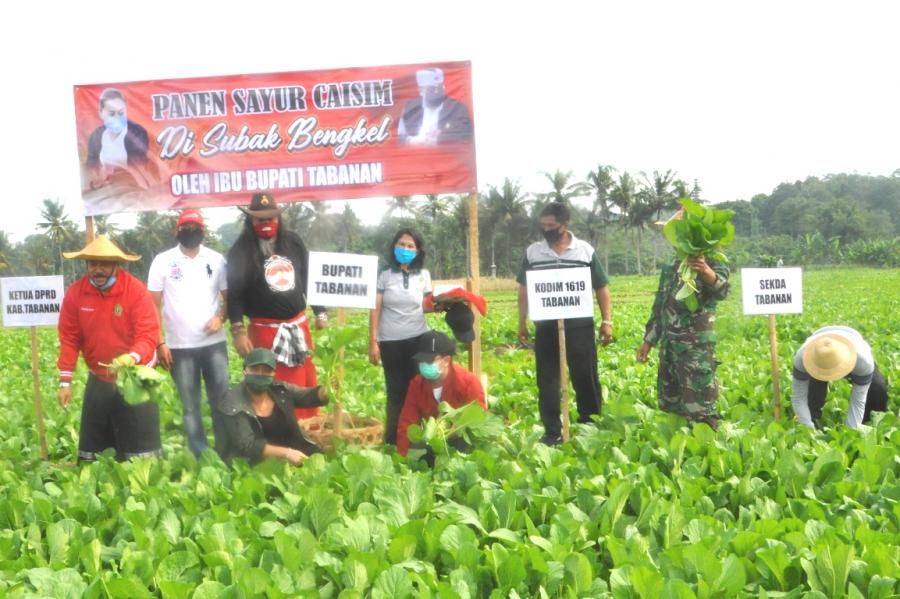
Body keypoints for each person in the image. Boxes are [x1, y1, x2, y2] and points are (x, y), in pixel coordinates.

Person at [57, 235, 161, 461]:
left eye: (104, 264)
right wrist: (65, 382)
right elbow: (69, 339)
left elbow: (147, 333)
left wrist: (132, 357)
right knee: (93, 452)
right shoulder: (75, 294)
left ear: (116, 265)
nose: (98, 270)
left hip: (134, 375)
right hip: (100, 375)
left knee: (141, 452)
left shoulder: (135, 291)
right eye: (93, 264)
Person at [517, 202, 613, 445]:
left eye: (552, 225)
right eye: (544, 225)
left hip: (579, 326)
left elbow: (601, 287)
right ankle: (552, 431)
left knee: (585, 376)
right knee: (547, 380)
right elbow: (524, 290)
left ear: (565, 224)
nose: (547, 229)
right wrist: (522, 323)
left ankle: (589, 424)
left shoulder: (584, 251)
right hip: (546, 327)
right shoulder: (533, 253)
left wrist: (607, 321)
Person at [226, 193, 327, 419]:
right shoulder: (240, 251)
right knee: (270, 383)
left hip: (297, 327)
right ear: (251, 221)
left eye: (271, 218)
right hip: (264, 332)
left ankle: (307, 427)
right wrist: (238, 331)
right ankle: (278, 431)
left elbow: (310, 278)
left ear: (279, 219)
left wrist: (321, 312)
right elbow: (234, 296)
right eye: (260, 220)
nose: (266, 223)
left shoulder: (293, 242)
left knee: (303, 381)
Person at [147, 209, 229, 456]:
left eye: (195, 227)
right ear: (177, 231)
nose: (190, 231)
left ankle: (226, 452)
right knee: (190, 406)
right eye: (186, 227)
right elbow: (152, 305)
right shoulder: (162, 261)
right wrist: (159, 342)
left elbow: (230, 298)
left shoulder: (217, 260)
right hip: (179, 348)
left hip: (214, 344)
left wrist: (220, 317)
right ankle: (200, 455)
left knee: (222, 402)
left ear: (203, 231)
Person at [636, 241, 730, 429]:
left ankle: (708, 451)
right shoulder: (672, 264)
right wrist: (649, 340)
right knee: (671, 405)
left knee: (700, 408)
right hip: (670, 345)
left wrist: (706, 271)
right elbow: (661, 304)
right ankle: (680, 451)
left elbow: (723, 291)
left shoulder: (712, 259)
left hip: (696, 349)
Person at [369, 228, 440, 444]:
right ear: (394, 246)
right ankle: (393, 439)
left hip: (418, 339)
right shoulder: (384, 274)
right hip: (390, 342)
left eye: (411, 246)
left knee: (419, 388)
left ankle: (419, 437)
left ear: (418, 251)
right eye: (401, 244)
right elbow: (375, 308)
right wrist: (373, 341)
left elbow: (427, 306)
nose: (405, 249)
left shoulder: (423, 275)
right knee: (396, 391)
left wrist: (446, 303)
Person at [216, 348, 327, 465]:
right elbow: (247, 445)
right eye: (255, 369)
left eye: (266, 371)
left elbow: (308, 396)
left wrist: (326, 392)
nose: (260, 374)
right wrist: (287, 453)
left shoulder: (280, 390)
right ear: (245, 371)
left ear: (273, 373)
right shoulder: (233, 401)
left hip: (293, 450)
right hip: (254, 461)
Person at [396, 331, 486, 459]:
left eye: (429, 361)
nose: (424, 365)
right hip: (432, 441)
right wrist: (402, 458)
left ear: (446, 360)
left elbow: (480, 418)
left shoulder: (468, 383)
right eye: (421, 361)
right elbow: (407, 422)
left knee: (463, 445)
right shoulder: (417, 384)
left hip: (460, 444)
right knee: (417, 447)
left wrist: (457, 427)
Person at [790, 326, 888, 429]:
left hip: (854, 348)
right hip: (818, 353)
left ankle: (867, 424)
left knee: (877, 390)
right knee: (812, 399)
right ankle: (815, 422)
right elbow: (799, 398)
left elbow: (858, 401)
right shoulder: (803, 358)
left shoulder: (863, 361)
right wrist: (808, 428)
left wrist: (851, 432)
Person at [85, 88, 149, 189]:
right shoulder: (96, 137)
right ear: (101, 113)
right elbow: (91, 171)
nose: (117, 117)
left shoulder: (138, 133)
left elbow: (140, 170)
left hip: (132, 188)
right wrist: (100, 176)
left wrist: (114, 167)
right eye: (111, 114)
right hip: (105, 191)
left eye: (121, 113)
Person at [397, 67, 473, 146]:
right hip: (415, 154)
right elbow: (397, 137)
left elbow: (465, 137)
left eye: (439, 87)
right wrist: (411, 141)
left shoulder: (457, 109)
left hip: (444, 155)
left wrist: (439, 139)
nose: (436, 92)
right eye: (431, 89)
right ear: (420, 90)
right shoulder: (410, 108)